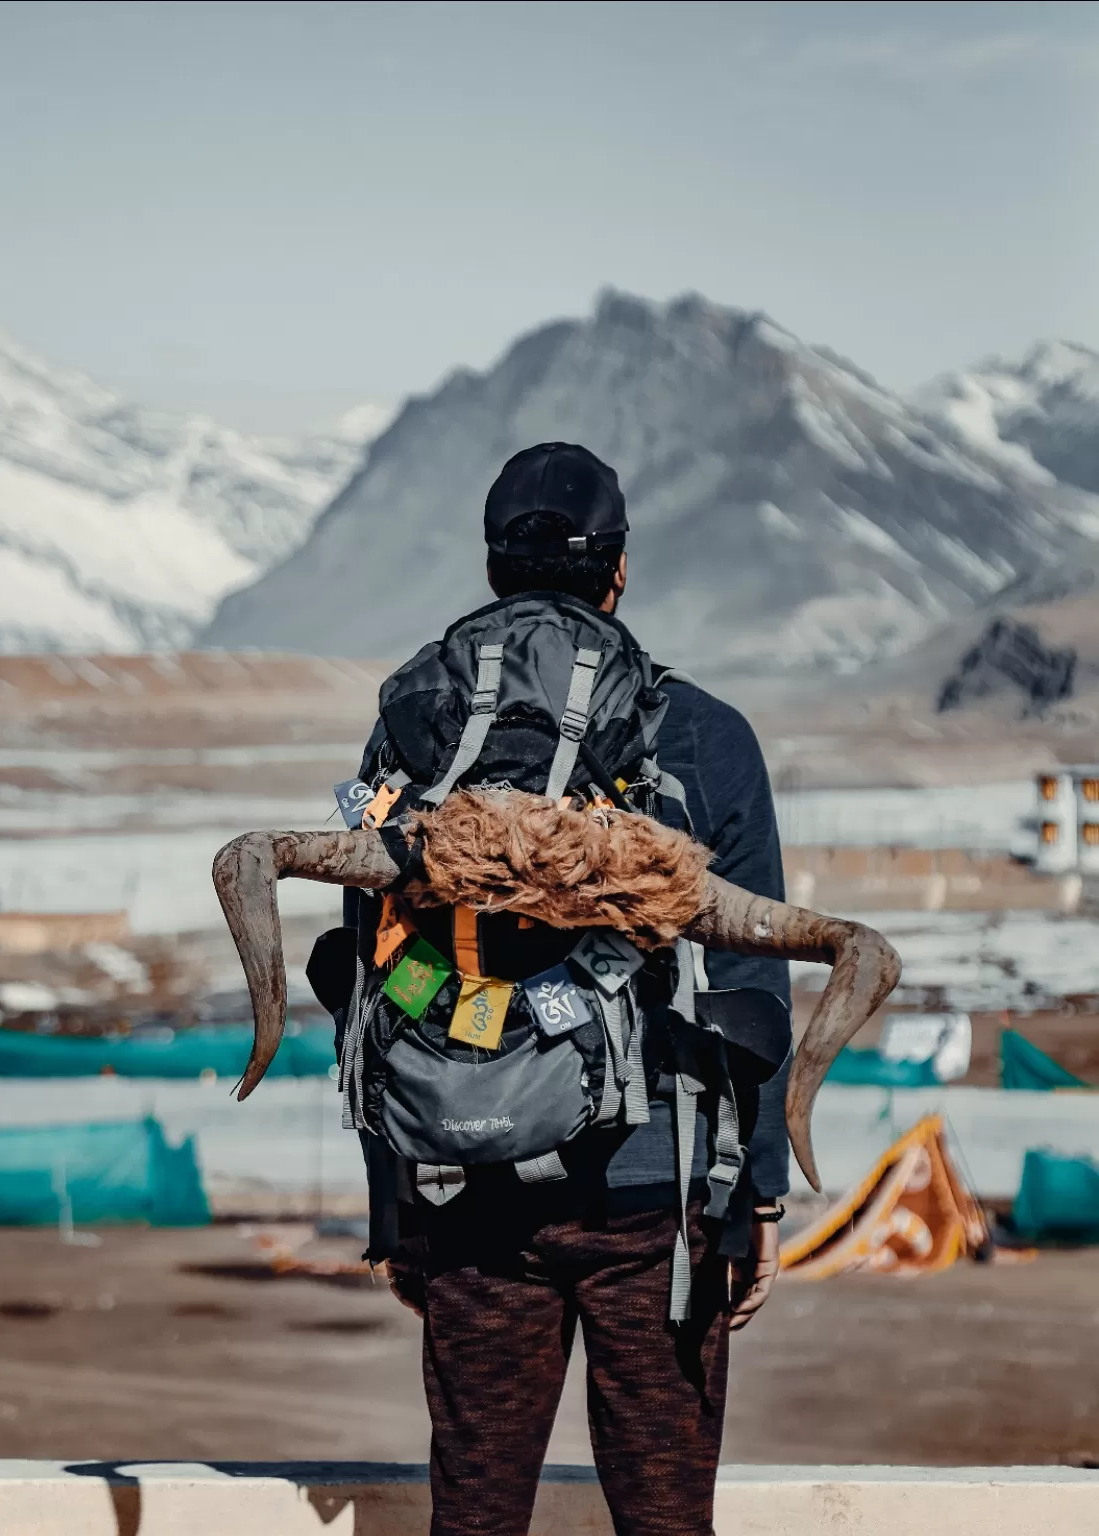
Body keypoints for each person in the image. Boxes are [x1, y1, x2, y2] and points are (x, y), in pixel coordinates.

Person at [353, 443, 789, 1536]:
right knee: (662, 1519)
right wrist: (758, 1198)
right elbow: (748, 984)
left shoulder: (414, 730)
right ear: (620, 570)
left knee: (479, 1517)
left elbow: (376, 967)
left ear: (494, 565)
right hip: (658, 1191)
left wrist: (392, 1200)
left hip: (465, 1176)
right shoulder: (703, 735)